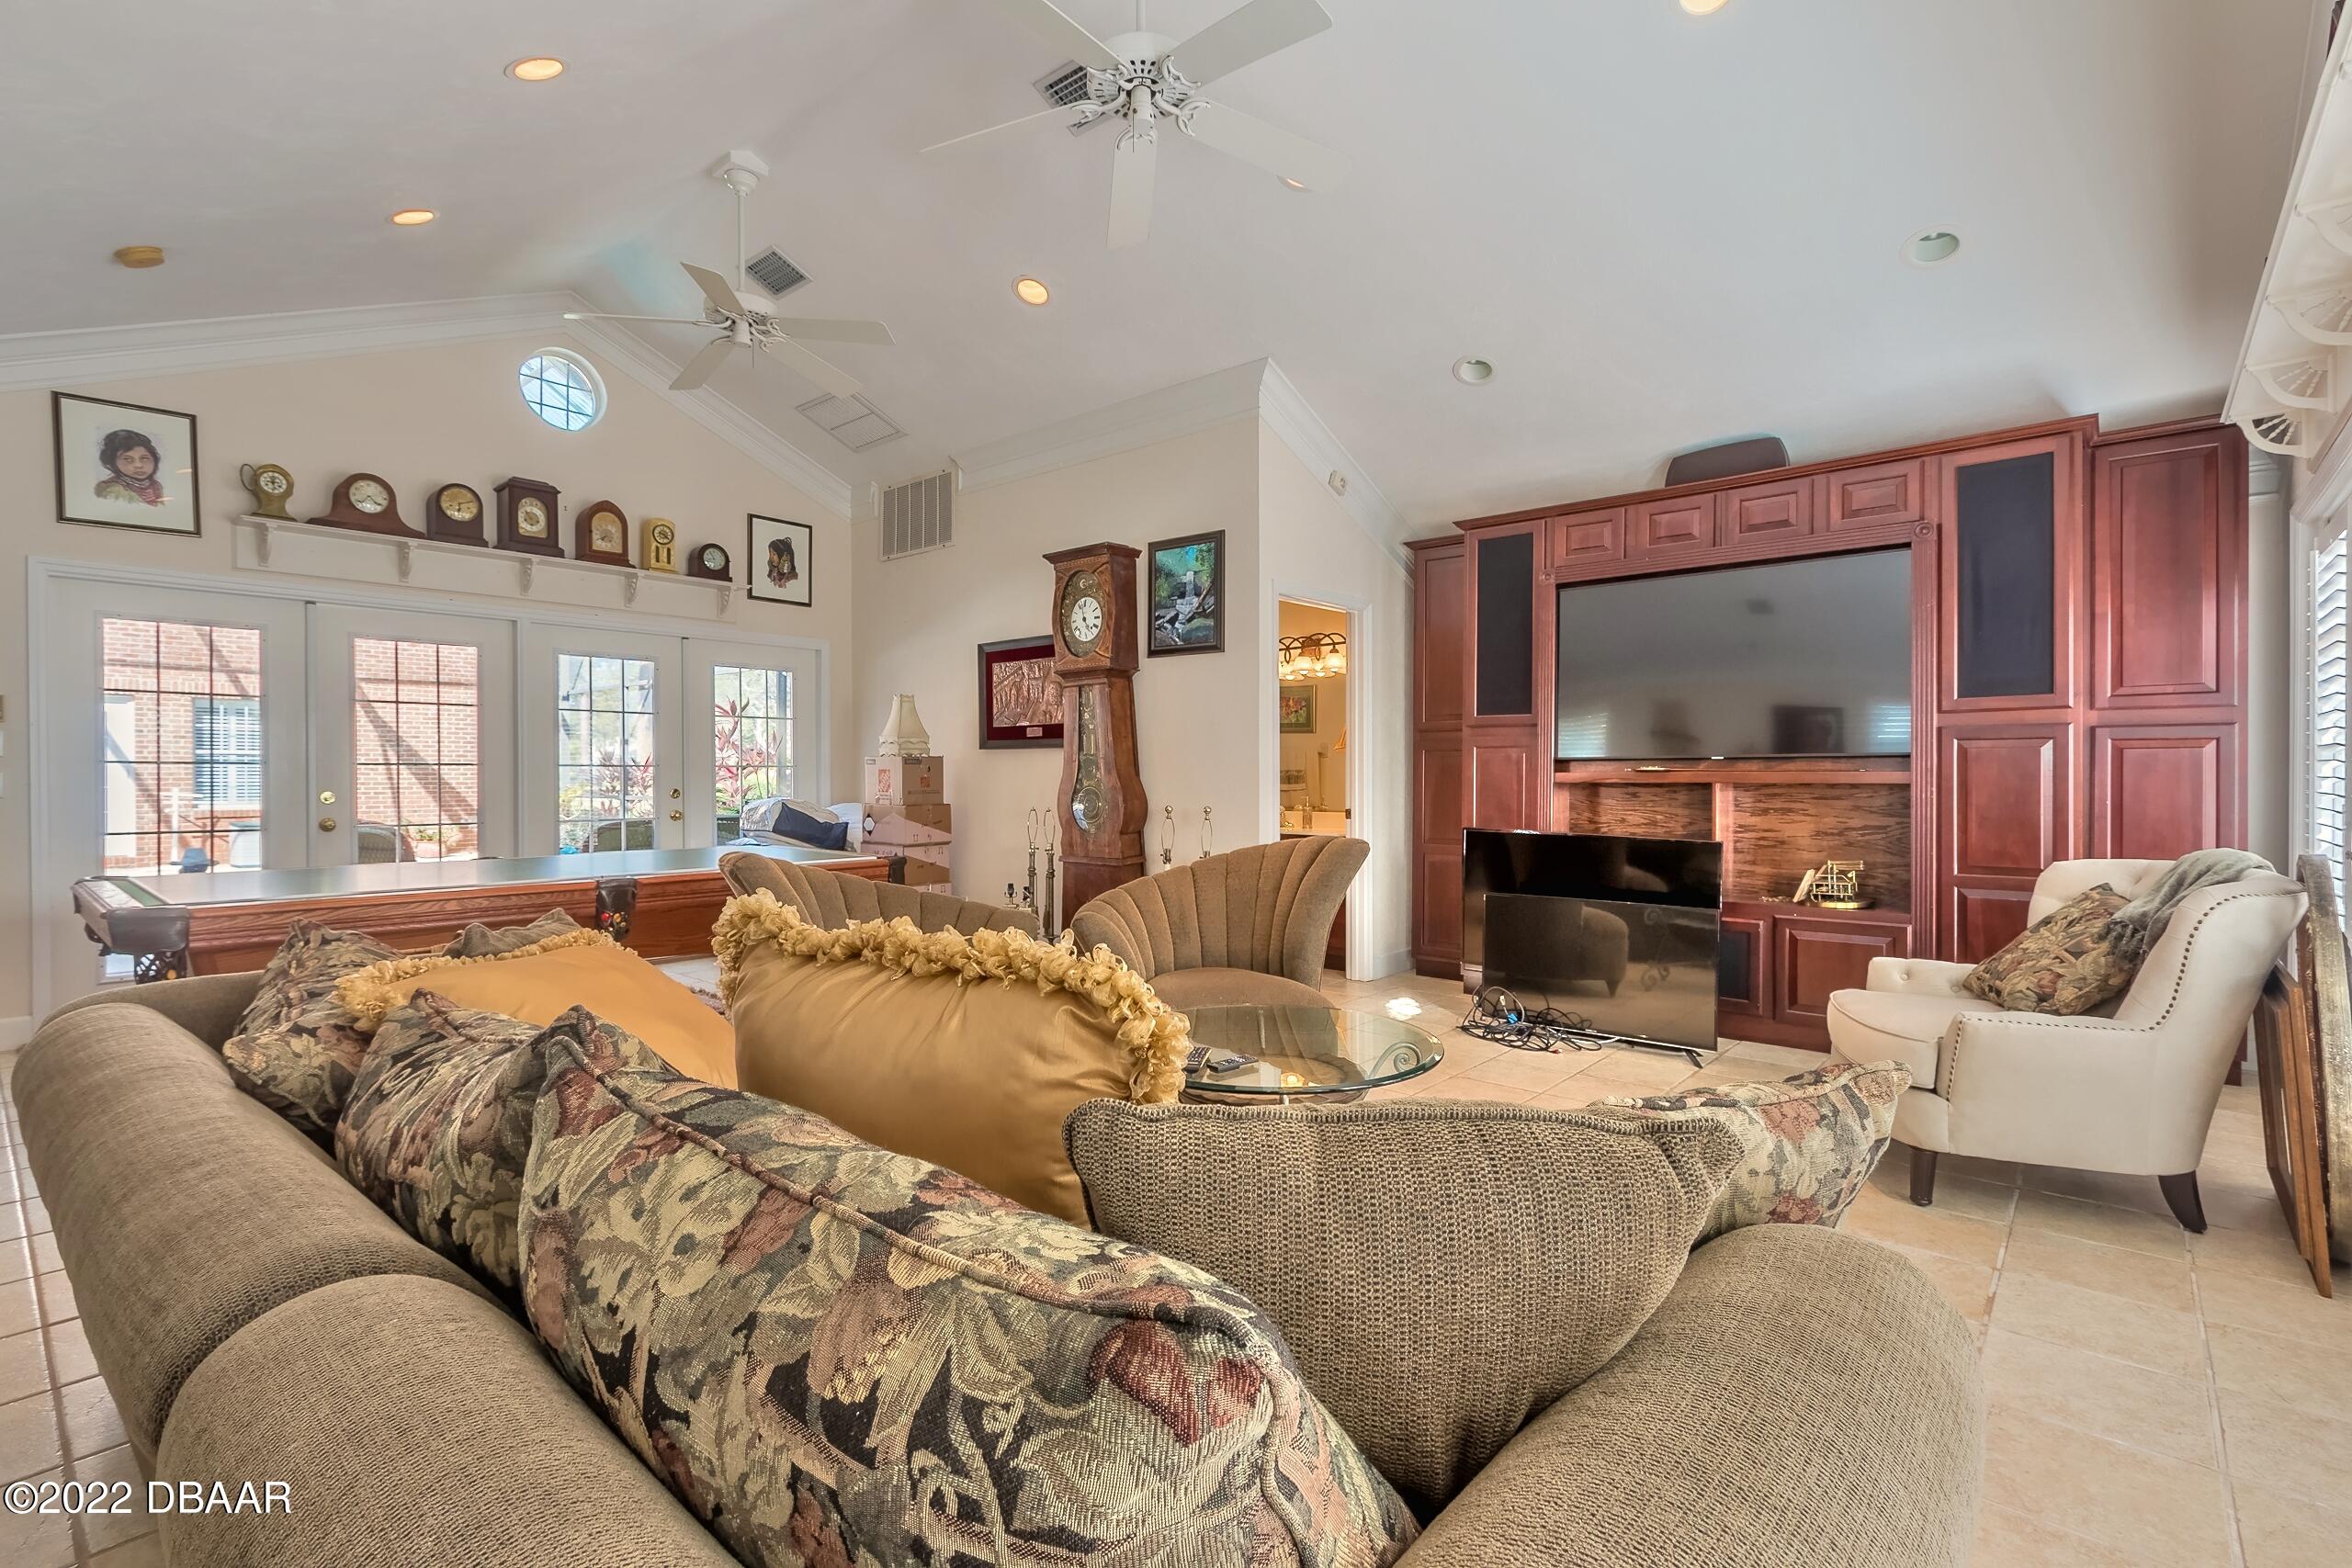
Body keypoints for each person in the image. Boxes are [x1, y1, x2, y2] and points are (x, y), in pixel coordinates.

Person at [95, 429, 165, 506]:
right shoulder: (112, 490)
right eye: (127, 459)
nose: (138, 465)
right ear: (113, 462)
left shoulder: (156, 486)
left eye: (144, 458)